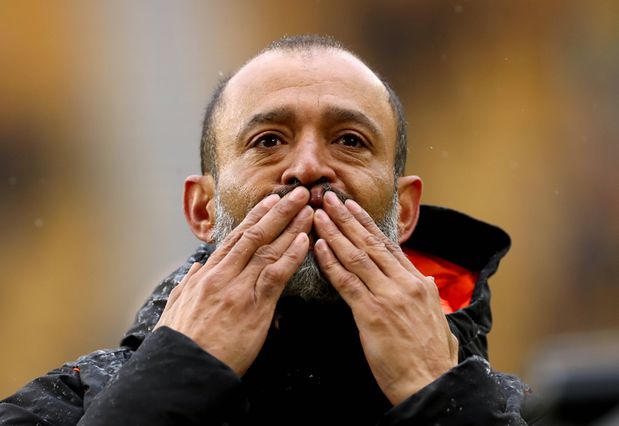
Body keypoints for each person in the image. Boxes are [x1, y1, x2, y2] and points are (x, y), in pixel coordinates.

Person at [0, 35, 541, 425]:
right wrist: (171, 381)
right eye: (268, 141)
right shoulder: (70, 403)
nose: (308, 167)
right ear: (202, 209)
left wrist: (444, 397)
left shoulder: (521, 411)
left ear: (404, 212)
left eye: (349, 140)